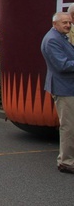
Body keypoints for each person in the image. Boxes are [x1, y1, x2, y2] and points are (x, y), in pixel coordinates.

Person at [41, 12, 74, 174]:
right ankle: (66, 161)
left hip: (67, 87)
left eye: (69, 22)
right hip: (64, 88)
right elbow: (62, 65)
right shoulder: (52, 40)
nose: (68, 25)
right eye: (64, 23)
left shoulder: (59, 36)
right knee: (68, 126)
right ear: (55, 24)